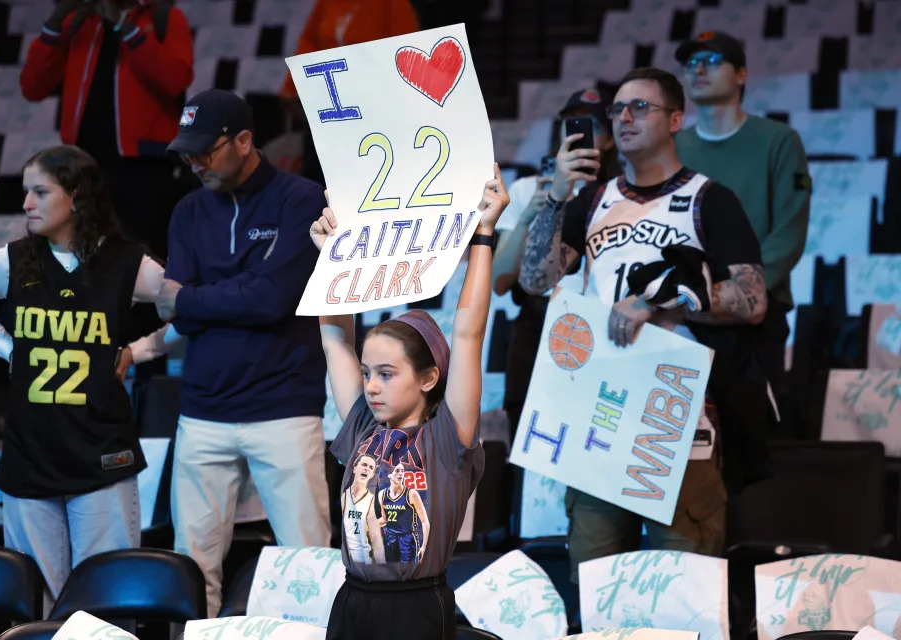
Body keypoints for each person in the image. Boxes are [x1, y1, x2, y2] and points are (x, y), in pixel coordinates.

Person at [519, 68, 768, 580]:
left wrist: (661, 303)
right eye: (618, 110)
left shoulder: (709, 199)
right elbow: (533, 279)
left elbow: (752, 298)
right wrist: (554, 195)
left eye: (640, 107)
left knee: (686, 585)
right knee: (596, 581)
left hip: (677, 412)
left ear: (676, 119)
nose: (625, 117)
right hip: (600, 411)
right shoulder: (590, 200)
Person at [0, 145, 167, 600]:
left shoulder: (125, 261)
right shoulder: (13, 259)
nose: (27, 204)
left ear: (76, 197)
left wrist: (138, 350)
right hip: (31, 453)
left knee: (109, 595)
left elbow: (186, 308)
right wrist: (7, 346)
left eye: (40, 192)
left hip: (101, 454)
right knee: (37, 599)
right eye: (25, 193)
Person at [155, 89, 332, 617]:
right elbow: (175, 312)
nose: (194, 164)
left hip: (285, 405)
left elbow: (271, 299)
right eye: (187, 154)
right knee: (191, 563)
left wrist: (194, 298)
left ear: (246, 140)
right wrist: (201, 300)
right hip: (203, 410)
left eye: (205, 152)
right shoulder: (187, 210)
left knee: (309, 561)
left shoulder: (302, 199)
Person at [313, 165, 509, 639]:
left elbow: (468, 331)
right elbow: (335, 341)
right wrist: (334, 258)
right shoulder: (363, 425)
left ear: (428, 378)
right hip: (352, 604)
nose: (371, 387)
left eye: (386, 374)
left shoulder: (448, 437)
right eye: (366, 374)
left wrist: (483, 234)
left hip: (415, 610)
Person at [674, 31, 810, 432]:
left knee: (750, 441)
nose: (698, 68)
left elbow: (790, 227)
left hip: (755, 314)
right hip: (683, 311)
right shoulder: (671, 145)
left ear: (742, 74)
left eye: (713, 60)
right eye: (690, 62)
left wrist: (746, 291)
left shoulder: (779, 141)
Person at [20, 0, 194, 259]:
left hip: (145, 169)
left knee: (147, 262)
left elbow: (176, 78)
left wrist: (125, 26)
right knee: (87, 262)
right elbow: (32, 87)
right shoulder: (77, 23)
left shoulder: (164, 17)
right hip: (83, 169)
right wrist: (56, 21)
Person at [492, 87, 619, 438]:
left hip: (596, 327)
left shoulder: (621, 193)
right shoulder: (526, 189)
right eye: (572, 122)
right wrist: (527, 216)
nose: (580, 133)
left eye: (594, 124)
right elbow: (499, 282)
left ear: (609, 138)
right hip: (536, 323)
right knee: (526, 437)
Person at [279, 0, 420, 185]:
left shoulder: (392, 4)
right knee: (319, 171)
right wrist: (291, 86)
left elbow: (407, 50)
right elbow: (309, 43)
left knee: (364, 170)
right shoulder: (327, 3)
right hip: (327, 101)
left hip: (374, 106)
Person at [377, 461, 430, 563]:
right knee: (391, 574)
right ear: (389, 475)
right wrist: (367, 526)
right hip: (390, 539)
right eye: (397, 471)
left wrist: (424, 546)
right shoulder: (382, 495)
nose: (401, 474)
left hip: (407, 539)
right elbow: (385, 519)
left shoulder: (411, 494)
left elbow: (425, 521)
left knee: (407, 574)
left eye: (402, 471)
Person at [342, 454, 386, 564]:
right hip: (345, 558)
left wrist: (383, 567)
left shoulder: (370, 500)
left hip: (361, 560)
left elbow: (376, 538)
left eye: (371, 468)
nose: (367, 469)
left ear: (371, 475)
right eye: (364, 465)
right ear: (354, 468)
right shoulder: (344, 495)